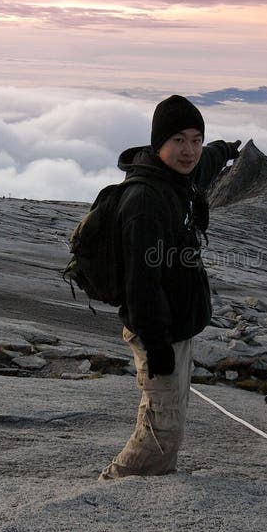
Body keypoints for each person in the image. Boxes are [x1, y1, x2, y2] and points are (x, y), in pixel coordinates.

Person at [98, 94, 241, 481]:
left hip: (174, 327)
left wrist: (225, 150)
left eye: (195, 139)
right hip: (158, 333)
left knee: (163, 417)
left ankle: (147, 489)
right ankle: (112, 491)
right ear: (158, 142)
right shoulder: (145, 201)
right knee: (163, 430)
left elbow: (205, 162)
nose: (189, 150)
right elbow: (141, 285)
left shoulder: (177, 177)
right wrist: (159, 347)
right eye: (178, 139)